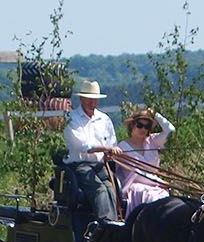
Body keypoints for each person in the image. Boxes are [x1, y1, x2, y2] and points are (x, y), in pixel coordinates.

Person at [62, 80, 119, 222]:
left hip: (100, 165)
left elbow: (112, 143)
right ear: (81, 98)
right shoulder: (71, 119)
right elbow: (83, 146)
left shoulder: (105, 120)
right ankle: (104, 226)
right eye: (89, 99)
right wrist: (106, 148)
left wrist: (110, 154)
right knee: (99, 189)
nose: (92, 102)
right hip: (80, 165)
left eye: (94, 99)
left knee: (111, 189)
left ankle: (115, 223)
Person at [115, 107, 175, 218]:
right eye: (139, 125)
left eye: (147, 126)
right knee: (153, 198)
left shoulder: (153, 141)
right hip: (135, 187)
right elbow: (137, 174)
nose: (143, 129)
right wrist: (159, 181)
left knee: (167, 200)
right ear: (132, 126)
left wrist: (155, 114)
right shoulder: (122, 147)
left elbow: (170, 130)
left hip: (155, 187)